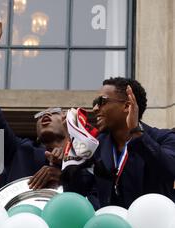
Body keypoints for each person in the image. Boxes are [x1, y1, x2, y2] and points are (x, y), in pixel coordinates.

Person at [64, 77, 175, 207]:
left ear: (127, 106)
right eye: (95, 102)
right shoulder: (96, 146)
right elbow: (78, 192)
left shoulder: (164, 138)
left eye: (101, 101)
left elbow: (170, 169)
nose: (95, 108)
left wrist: (137, 133)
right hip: (111, 225)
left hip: (154, 223)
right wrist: (70, 165)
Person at [0, 6, 46, 189]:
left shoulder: (84, 158)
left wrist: (61, 172)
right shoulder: (22, 151)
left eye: (55, 112)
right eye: (41, 115)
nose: (47, 115)